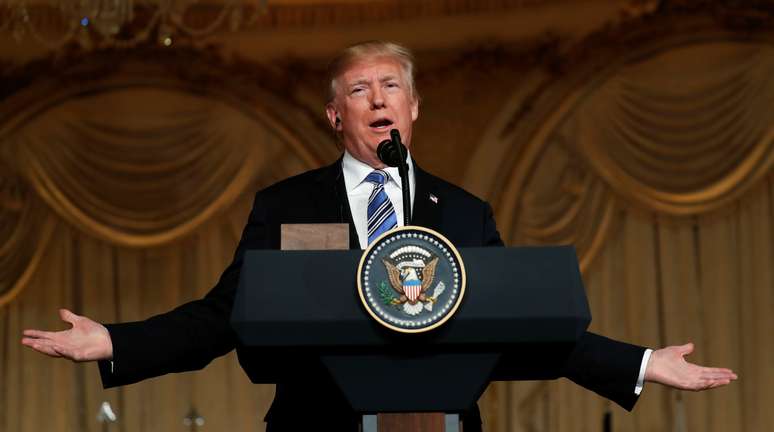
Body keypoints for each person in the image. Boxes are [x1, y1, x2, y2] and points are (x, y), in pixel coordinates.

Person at [22, 41, 737, 431]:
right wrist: (115, 341)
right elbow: (224, 316)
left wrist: (640, 362)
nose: (376, 100)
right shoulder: (287, 203)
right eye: (358, 90)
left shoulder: (462, 210)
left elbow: (527, 322)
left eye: (390, 86)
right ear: (336, 116)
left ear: (414, 107)